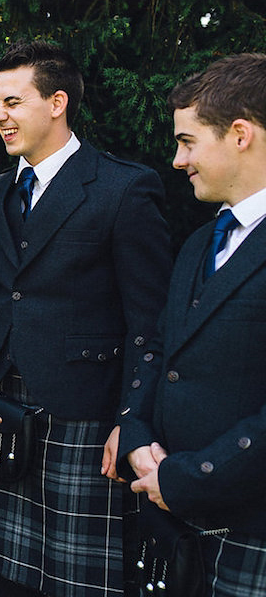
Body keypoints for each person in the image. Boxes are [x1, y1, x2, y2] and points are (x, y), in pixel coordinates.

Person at [0, 40, 172, 597]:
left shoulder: (123, 187)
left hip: (86, 415)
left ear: (57, 102)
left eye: (12, 103)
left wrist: (133, 418)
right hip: (5, 403)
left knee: (81, 581)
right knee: (9, 570)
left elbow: (151, 320)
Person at [118, 52, 266, 596]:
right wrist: (134, 433)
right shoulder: (201, 241)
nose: (178, 160)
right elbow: (160, 348)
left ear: (240, 134)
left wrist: (189, 477)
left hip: (253, 526)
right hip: (173, 520)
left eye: (187, 141)